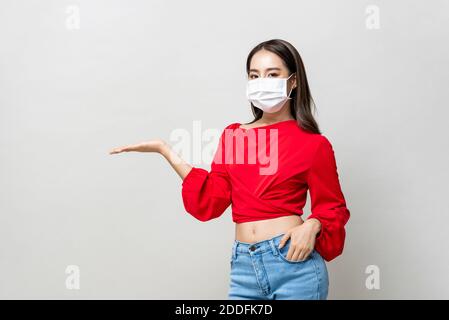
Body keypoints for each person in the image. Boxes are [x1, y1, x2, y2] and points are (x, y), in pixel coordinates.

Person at [109, 39, 350, 300]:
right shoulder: (234, 136)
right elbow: (212, 198)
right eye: (254, 75)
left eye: (272, 74)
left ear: (293, 81)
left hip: (294, 266)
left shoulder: (314, 144)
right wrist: (165, 151)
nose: (262, 82)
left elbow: (333, 207)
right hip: (244, 268)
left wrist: (313, 224)